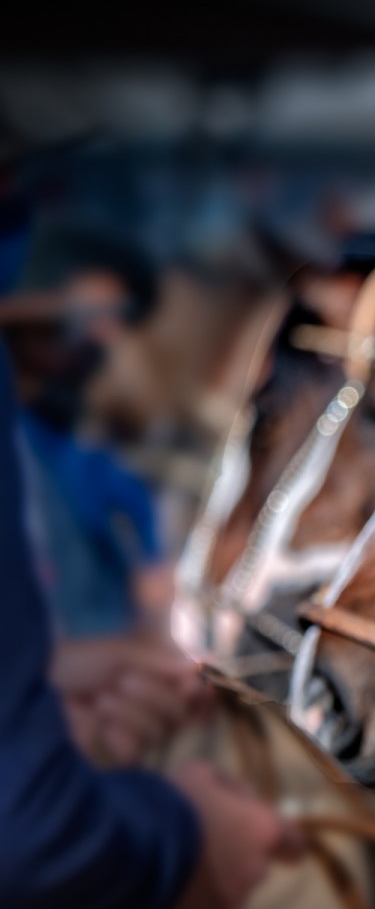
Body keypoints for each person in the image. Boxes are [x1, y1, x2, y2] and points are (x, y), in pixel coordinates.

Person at [0, 341, 302, 908]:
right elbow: (21, 841)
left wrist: (38, 684)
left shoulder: (89, 463)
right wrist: (186, 837)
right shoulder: (67, 458)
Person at [0, 220, 172, 637]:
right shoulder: (20, 440)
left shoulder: (88, 455)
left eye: (118, 319)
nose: (107, 336)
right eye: (93, 315)